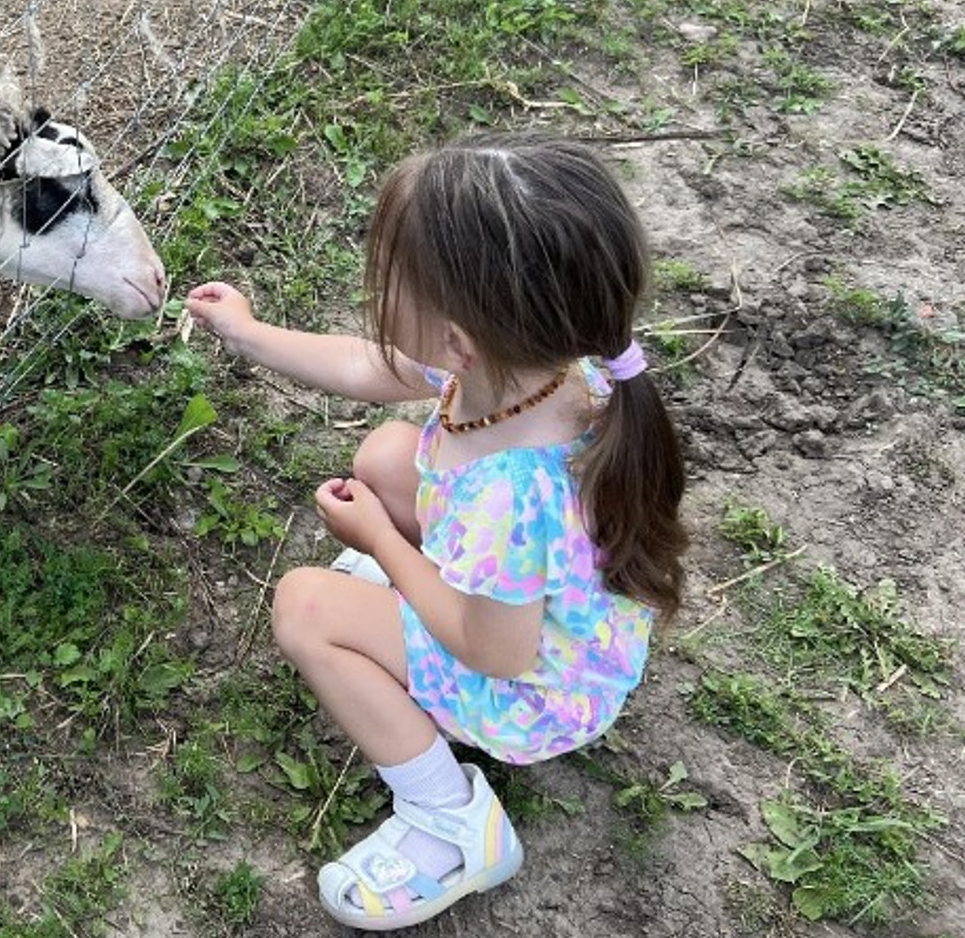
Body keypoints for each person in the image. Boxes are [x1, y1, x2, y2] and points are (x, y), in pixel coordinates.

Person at [185, 133, 687, 931]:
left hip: (533, 689)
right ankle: (403, 609)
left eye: (388, 279)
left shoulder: (512, 494)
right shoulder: (549, 369)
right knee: (388, 453)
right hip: (559, 626)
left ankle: (452, 821)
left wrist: (381, 540)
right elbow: (363, 367)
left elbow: (495, 652)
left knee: (307, 608)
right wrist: (248, 334)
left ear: (459, 337)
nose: (374, 292)